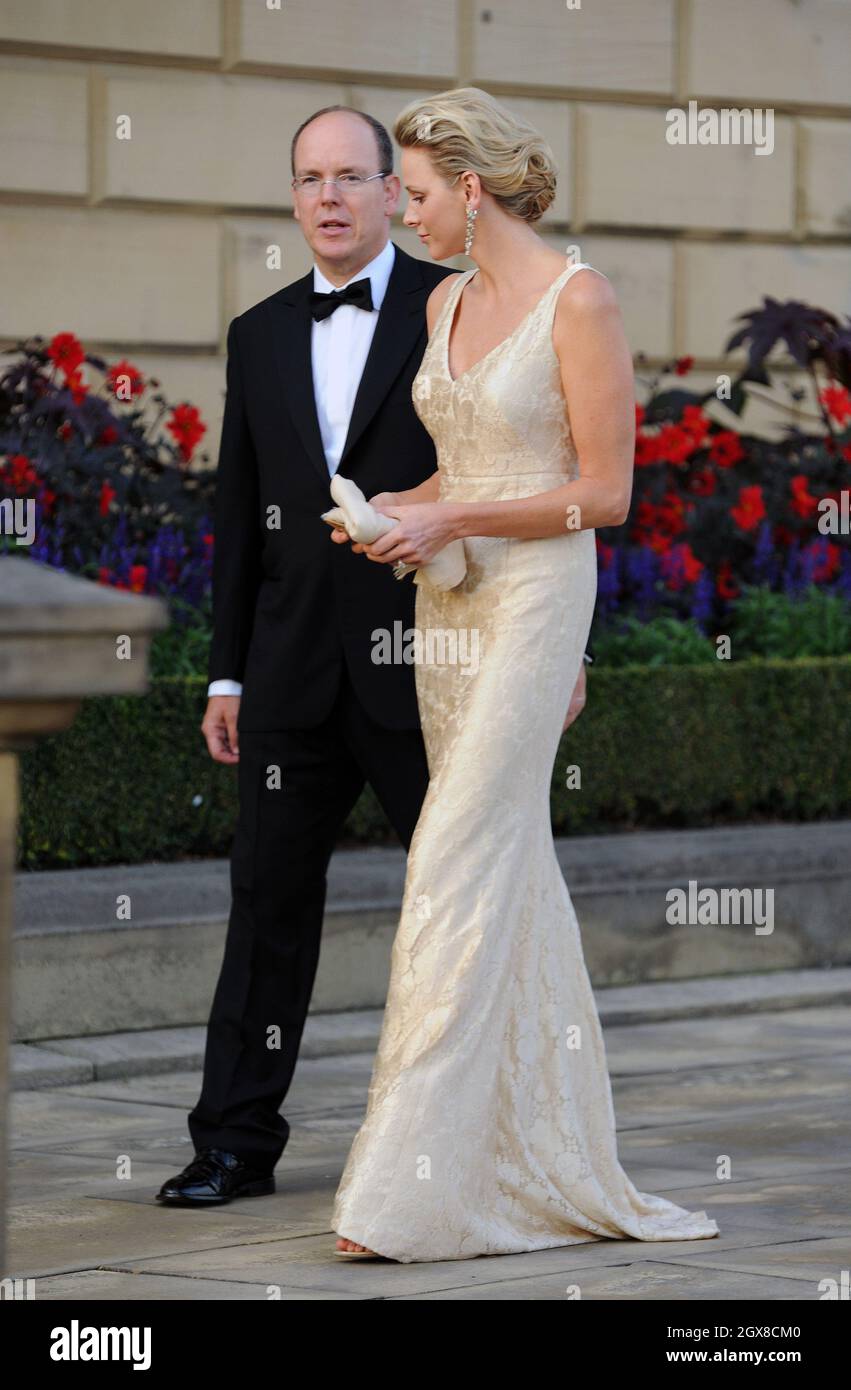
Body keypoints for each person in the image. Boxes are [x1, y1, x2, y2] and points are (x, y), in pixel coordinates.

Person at [156, 101, 592, 1207]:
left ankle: (481, 1139)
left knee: (463, 900)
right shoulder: (255, 332)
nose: (334, 197)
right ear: (293, 194)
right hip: (291, 669)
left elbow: (528, 464)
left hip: (435, 656)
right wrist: (225, 671)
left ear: (397, 192)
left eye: (356, 176)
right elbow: (238, 510)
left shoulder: (456, 301)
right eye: (312, 178)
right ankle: (232, 1143)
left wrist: (556, 648)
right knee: (264, 903)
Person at [331, 87, 720, 1261]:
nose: (397, 210)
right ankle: (530, 1155)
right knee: (507, 865)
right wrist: (399, 511)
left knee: (452, 856)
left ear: (471, 185)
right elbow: (460, 464)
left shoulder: (578, 298)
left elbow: (603, 495)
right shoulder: (444, 297)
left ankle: (402, 1192)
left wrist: (450, 512)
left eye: (409, 190)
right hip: (447, 609)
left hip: (539, 597)